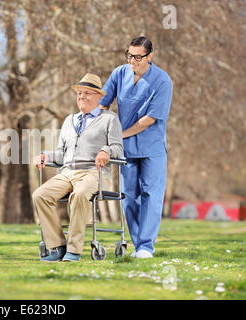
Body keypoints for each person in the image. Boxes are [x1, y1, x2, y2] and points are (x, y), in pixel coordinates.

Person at [32, 73, 123, 262]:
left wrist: (106, 151)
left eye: (87, 93)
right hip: (67, 173)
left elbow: (118, 148)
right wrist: (45, 156)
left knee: (80, 194)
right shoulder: (69, 120)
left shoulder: (109, 119)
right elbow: (61, 154)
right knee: (40, 195)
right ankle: (57, 247)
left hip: (93, 173)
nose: (81, 97)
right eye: (79, 93)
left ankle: (74, 250)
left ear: (99, 97)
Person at [98, 36, 173, 259]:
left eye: (138, 57)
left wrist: (118, 134)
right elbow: (104, 102)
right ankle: (137, 243)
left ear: (150, 56)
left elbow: (149, 119)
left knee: (151, 194)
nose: (132, 61)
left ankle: (146, 247)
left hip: (152, 149)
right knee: (129, 196)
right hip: (126, 149)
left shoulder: (162, 81)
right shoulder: (119, 73)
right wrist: (100, 123)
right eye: (129, 55)